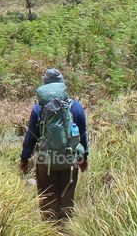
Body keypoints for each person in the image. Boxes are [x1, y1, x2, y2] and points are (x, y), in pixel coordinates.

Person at [19, 68, 89, 222]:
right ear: (63, 86)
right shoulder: (76, 107)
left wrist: (24, 159)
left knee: (47, 196)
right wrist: (84, 159)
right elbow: (82, 135)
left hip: (46, 159)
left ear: (45, 86)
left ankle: (49, 233)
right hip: (70, 159)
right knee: (66, 196)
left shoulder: (39, 108)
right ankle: (65, 232)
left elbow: (31, 137)